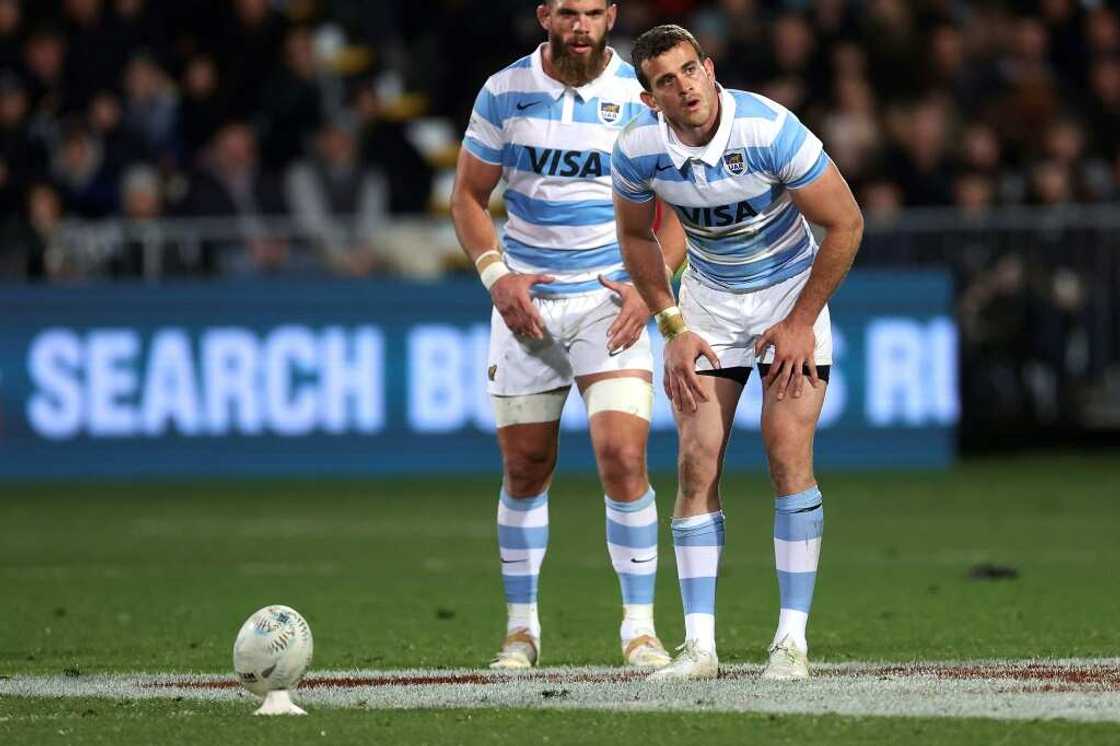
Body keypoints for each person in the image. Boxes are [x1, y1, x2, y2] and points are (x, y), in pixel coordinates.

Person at [611, 25, 863, 681]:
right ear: (649, 97)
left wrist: (802, 321)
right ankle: (699, 648)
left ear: (710, 68)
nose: (684, 86)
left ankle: (791, 642)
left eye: (690, 70)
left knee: (786, 453)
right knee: (696, 462)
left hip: (789, 297)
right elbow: (637, 238)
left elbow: (846, 222)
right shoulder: (639, 149)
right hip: (711, 307)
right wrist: (671, 324)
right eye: (666, 80)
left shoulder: (768, 129)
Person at [450, 0, 684, 671]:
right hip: (527, 306)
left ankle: (639, 630)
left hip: (608, 303)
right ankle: (521, 631)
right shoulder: (504, 91)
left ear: (610, 15)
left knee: (622, 458)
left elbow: (679, 205)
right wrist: (497, 278)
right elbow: (468, 195)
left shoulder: (640, 98)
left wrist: (649, 285)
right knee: (525, 470)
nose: (580, 25)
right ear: (543, 15)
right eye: (568, 12)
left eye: (593, 11)